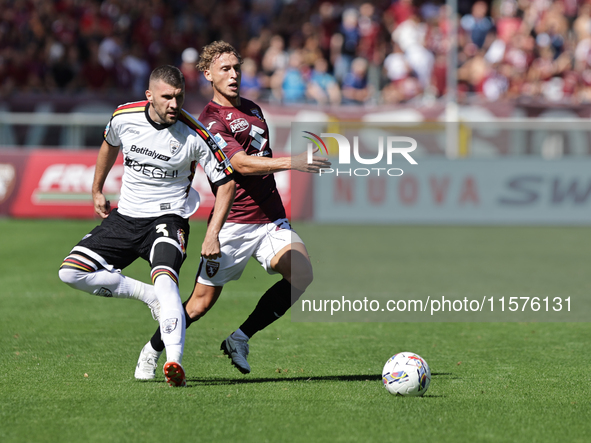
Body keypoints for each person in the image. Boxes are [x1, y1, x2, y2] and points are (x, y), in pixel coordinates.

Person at [134, 41, 330, 379]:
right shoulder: (210, 121)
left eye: (237, 67)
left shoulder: (253, 109)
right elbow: (238, 164)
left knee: (302, 273)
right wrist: (295, 161)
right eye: (225, 69)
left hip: (270, 219)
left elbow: (258, 156)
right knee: (198, 305)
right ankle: (151, 350)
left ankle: (239, 338)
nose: (234, 74)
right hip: (233, 225)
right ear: (208, 74)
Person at [58, 65, 235, 387]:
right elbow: (109, 146)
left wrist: (212, 233)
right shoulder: (124, 118)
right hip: (125, 217)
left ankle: (172, 362)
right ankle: (146, 295)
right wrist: (97, 189)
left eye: (179, 96)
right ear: (149, 96)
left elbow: (226, 183)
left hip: (168, 219)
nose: (174, 104)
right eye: (167, 97)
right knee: (70, 273)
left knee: (168, 283)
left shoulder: (195, 134)